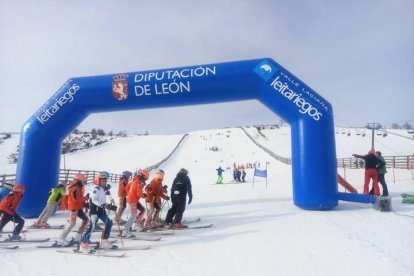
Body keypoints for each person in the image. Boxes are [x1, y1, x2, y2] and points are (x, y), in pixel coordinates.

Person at [80, 172, 117, 253]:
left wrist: (110, 205)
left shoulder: (102, 188)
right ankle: (83, 244)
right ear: (98, 181)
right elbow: (94, 200)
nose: (104, 182)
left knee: (109, 223)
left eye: (105, 181)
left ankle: (104, 242)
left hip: (101, 210)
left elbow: (104, 191)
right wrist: (105, 205)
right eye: (103, 181)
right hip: (94, 211)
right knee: (92, 227)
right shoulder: (95, 188)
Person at [58, 174, 89, 246]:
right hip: (74, 208)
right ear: (79, 181)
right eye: (83, 181)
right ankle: (61, 238)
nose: (84, 183)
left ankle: (78, 237)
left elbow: (77, 199)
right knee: (72, 223)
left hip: (77, 207)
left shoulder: (78, 187)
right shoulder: (75, 188)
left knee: (86, 220)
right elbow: (77, 199)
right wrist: (86, 198)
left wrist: (84, 204)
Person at [122, 169, 149, 237]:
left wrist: (130, 194)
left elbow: (127, 188)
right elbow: (139, 193)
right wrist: (144, 195)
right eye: (145, 178)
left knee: (143, 210)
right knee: (133, 215)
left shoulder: (134, 180)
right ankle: (125, 230)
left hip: (133, 199)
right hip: (133, 200)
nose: (145, 180)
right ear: (142, 176)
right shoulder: (139, 182)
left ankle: (135, 224)